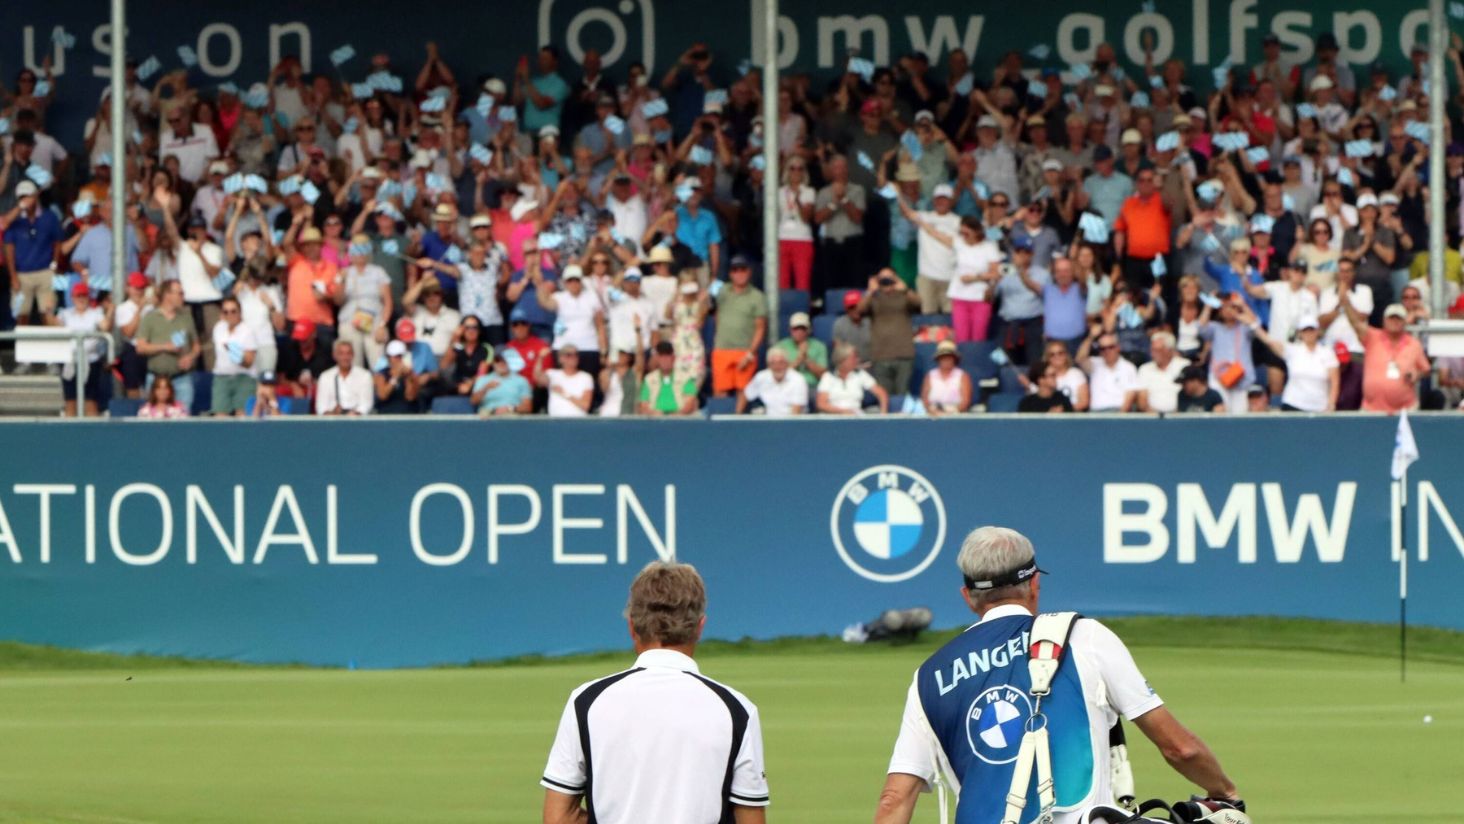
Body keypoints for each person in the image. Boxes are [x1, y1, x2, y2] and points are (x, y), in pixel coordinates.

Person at [874, 526, 1242, 823]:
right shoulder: (1085, 637)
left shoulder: (928, 677)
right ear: (1035, 584)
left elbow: (895, 798)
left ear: (967, 597)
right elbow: (1180, 749)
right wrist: (1225, 793)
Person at [540, 560, 769, 824]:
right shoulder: (737, 710)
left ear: (632, 626)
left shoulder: (586, 702)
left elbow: (558, 819)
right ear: (700, 627)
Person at [1343, 301, 1429, 413]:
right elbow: (1355, 323)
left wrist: (1416, 374)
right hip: (1371, 409)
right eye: (1391, 318)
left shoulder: (1414, 344)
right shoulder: (1372, 336)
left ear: (1405, 322)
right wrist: (1345, 301)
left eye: (1398, 319)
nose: (1395, 322)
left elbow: (1426, 369)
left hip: (1404, 410)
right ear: (1384, 321)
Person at [134, 280, 201, 411]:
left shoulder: (186, 317)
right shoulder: (150, 318)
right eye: (180, 293)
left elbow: (196, 346)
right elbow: (140, 347)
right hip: (156, 381)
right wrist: (165, 347)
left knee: (183, 416)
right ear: (167, 295)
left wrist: (190, 357)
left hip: (181, 378)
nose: (183, 297)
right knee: (154, 417)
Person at [897, 183, 960, 313]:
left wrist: (924, 225)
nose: (941, 202)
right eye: (938, 198)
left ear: (951, 201)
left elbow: (954, 244)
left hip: (950, 277)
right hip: (927, 277)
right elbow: (905, 212)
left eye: (944, 199)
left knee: (949, 316)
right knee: (927, 315)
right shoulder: (924, 216)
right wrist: (897, 193)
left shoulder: (959, 221)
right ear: (933, 200)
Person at [1253, 315, 1337, 412]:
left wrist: (1331, 404)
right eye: (1305, 330)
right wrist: (1253, 324)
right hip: (1293, 404)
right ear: (1300, 333)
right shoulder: (1293, 350)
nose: (1309, 333)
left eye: (1311, 329)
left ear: (1317, 331)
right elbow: (1270, 342)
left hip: (1319, 407)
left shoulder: (1327, 352)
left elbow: (1334, 381)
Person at [5, 180, 62, 323]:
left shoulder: (49, 217)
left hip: (45, 272)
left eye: (28, 196)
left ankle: (50, 339)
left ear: (35, 196)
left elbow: (57, 242)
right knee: (20, 314)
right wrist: (13, 276)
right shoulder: (14, 219)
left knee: (48, 313)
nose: (25, 200)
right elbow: (9, 247)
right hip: (22, 274)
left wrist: (54, 264)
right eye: (22, 197)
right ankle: (21, 340)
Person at [51, 283, 112, 416]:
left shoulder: (95, 313)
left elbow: (105, 327)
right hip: (70, 360)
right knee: (70, 399)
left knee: (91, 400)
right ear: (72, 297)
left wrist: (110, 311)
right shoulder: (65, 313)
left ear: (88, 297)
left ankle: (93, 428)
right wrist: (48, 312)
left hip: (91, 360)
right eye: (78, 296)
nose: (81, 299)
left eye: (83, 296)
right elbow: (55, 327)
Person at [710, 256, 768, 397]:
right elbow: (709, 303)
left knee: (743, 390)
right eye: (735, 270)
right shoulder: (722, 291)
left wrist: (750, 353)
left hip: (744, 350)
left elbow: (761, 327)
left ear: (749, 272)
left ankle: (738, 413)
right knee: (719, 390)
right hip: (722, 348)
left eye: (743, 269)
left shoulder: (757, 296)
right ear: (730, 274)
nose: (739, 273)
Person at [861, 269, 920, 397]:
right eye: (882, 279)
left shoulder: (903, 295)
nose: (886, 281)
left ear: (896, 278)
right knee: (885, 397)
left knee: (902, 396)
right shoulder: (873, 297)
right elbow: (860, 310)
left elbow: (918, 304)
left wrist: (906, 289)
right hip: (881, 355)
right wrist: (870, 291)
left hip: (904, 354)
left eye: (889, 278)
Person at [994, 236, 1049, 365]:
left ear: (1032, 254)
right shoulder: (1004, 271)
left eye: (1027, 252)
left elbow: (1041, 292)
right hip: (1008, 325)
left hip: (1033, 325)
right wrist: (993, 282)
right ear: (1014, 253)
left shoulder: (1042, 273)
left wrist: (1021, 271)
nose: (1023, 255)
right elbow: (989, 299)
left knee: (1034, 362)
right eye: (1019, 251)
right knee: (1002, 362)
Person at [210, 297, 258, 417]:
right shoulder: (218, 328)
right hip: (222, 377)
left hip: (243, 377)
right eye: (226, 312)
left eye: (233, 311)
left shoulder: (248, 331)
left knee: (242, 416)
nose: (229, 315)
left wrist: (235, 353)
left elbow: (249, 362)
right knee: (219, 415)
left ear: (239, 313)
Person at [1077, 329, 1139, 413]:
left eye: (1110, 347)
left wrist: (1120, 417)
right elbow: (1080, 358)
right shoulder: (1095, 364)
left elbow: (1130, 395)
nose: (1107, 351)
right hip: (1096, 413)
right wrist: (1090, 337)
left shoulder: (1128, 367)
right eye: (1103, 348)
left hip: (1118, 411)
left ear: (1118, 347)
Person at [817, 342, 888, 415]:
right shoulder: (828, 377)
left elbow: (881, 393)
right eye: (854, 358)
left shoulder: (860, 374)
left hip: (856, 416)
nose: (858, 360)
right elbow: (821, 404)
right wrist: (843, 411)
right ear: (843, 360)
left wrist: (883, 413)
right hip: (833, 416)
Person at [739, 347, 809, 416]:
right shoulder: (761, 377)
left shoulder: (798, 380)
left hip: (791, 421)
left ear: (787, 363)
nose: (777, 366)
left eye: (781, 362)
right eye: (773, 363)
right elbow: (746, 394)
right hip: (768, 420)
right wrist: (738, 416)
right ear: (768, 365)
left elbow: (796, 413)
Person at [639, 340, 699, 416]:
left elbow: (689, 404)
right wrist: (657, 415)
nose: (665, 359)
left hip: (680, 419)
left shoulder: (685, 378)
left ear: (673, 358)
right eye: (662, 356)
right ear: (657, 358)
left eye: (667, 356)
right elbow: (644, 405)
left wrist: (673, 416)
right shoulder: (649, 379)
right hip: (655, 419)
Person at [1136, 331, 1190, 413]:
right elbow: (1142, 401)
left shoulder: (1185, 365)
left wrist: (1176, 416)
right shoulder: (1144, 369)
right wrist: (1156, 417)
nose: (1152, 354)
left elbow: (1191, 394)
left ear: (1169, 350)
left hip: (1180, 415)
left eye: (1157, 350)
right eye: (1152, 350)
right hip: (1151, 417)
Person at [315, 340, 374, 415]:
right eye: (341, 354)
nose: (345, 357)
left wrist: (355, 414)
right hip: (332, 419)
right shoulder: (325, 377)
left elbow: (366, 404)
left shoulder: (365, 376)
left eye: (348, 353)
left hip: (357, 419)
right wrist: (332, 414)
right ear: (334, 355)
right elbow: (321, 406)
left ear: (353, 355)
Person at [772, 312, 827, 389]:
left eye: (803, 329)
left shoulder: (819, 346)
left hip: (811, 386)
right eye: (795, 329)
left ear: (809, 330)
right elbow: (777, 373)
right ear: (790, 330)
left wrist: (806, 358)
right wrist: (799, 359)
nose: (799, 332)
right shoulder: (780, 346)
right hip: (787, 386)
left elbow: (823, 376)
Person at [472, 350, 534, 416]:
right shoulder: (483, 379)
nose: (501, 363)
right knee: (483, 415)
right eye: (497, 360)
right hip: (487, 413)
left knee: (511, 416)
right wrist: (485, 388)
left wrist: (510, 408)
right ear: (493, 362)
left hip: (511, 414)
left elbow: (527, 407)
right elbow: (473, 401)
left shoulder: (521, 380)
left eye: (505, 360)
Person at [920, 340, 972, 415]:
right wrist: (932, 410)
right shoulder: (930, 375)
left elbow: (965, 401)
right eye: (943, 357)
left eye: (949, 357)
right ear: (938, 359)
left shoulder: (962, 375)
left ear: (954, 359)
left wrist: (952, 412)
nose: (946, 360)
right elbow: (924, 399)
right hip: (933, 413)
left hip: (955, 414)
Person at [542, 343, 594, 417]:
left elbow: (585, 405)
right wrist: (540, 359)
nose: (573, 357)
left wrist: (565, 394)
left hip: (578, 420)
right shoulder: (552, 374)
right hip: (555, 420)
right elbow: (538, 379)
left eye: (576, 354)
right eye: (569, 355)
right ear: (561, 358)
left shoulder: (586, 377)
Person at [374, 339, 422, 414]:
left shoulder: (411, 375)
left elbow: (410, 397)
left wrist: (408, 376)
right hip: (386, 414)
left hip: (407, 414)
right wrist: (395, 377)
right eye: (396, 357)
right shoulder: (381, 374)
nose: (399, 359)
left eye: (401, 356)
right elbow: (383, 395)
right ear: (389, 358)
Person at [833, 290, 872, 363]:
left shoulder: (871, 321)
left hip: (871, 364)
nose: (856, 309)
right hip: (849, 365)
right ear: (846, 308)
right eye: (851, 307)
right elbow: (838, 352)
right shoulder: (839, 324)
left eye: (858, 306)